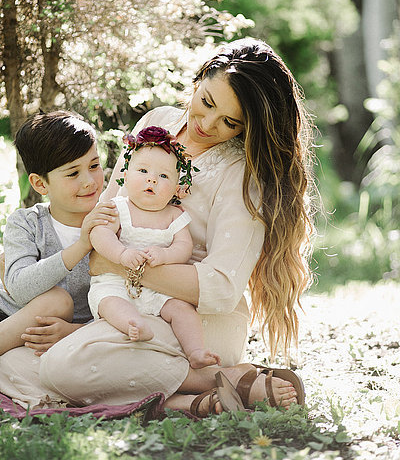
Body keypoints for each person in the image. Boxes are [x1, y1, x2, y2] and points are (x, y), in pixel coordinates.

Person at [0, 38, 313, 418]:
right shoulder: (157, 123)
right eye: (208, 103)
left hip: (193, 319)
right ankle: (192, 399)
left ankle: (216, 375)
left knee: (61, 366)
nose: (207, 125)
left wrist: (119, 266)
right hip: (121, 304)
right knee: (13, 363)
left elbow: (221, 286)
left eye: (231, 122)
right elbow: (107, 211)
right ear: (199, 79)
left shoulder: (243, 174)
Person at [88, 126, 221, 369]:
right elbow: (99, 234)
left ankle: (196, 351)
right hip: (115, 283)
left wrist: (164, 254)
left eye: (163, 176)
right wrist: (121, 253)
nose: (152, 179)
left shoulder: (174, 215)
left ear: (175, 188)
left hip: (159, 289)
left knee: (182, 309)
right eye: (143, 171)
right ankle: (133, 324)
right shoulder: (120, 207)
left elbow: (184, 247)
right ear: (125, 176)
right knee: (109, 302)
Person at [0, 111, 117, 356]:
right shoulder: (26, 223)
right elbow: (19, 289)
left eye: (94, 166)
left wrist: (73, 330)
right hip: (8, 313)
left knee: (60, 302)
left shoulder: (114, 225)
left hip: (58, 329)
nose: (89, 181)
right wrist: (82, 245)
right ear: (41, 184)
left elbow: (122, 301)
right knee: (57, 300)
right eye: (73, 173)